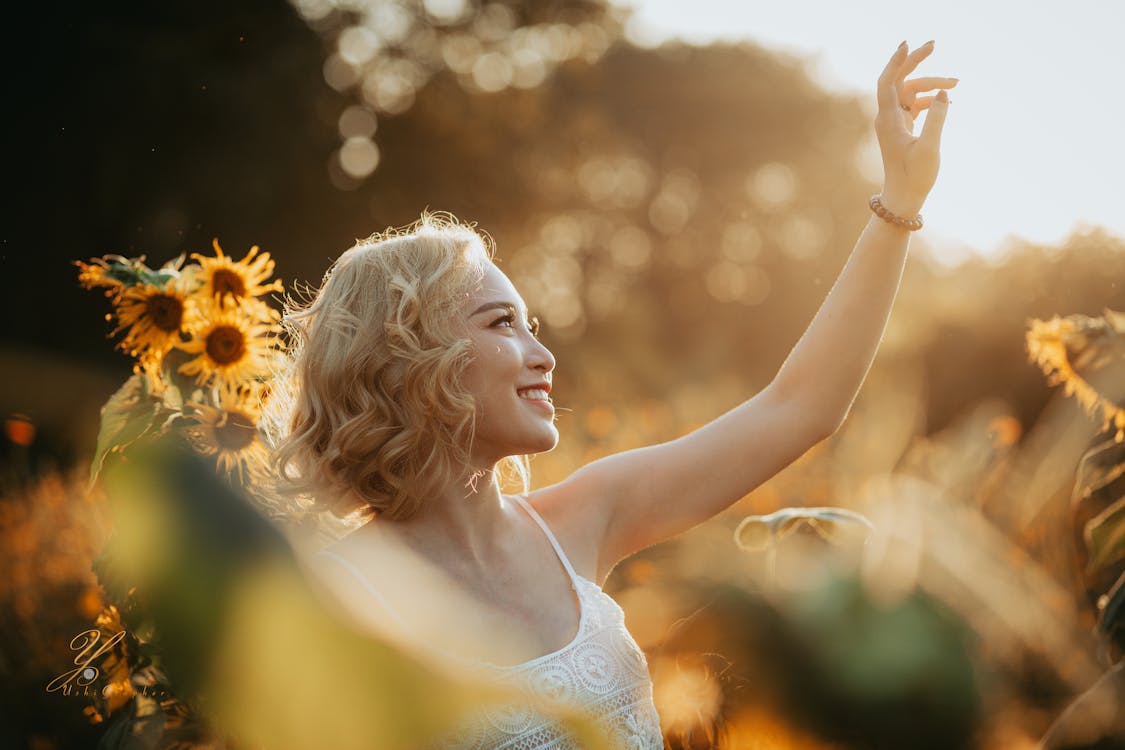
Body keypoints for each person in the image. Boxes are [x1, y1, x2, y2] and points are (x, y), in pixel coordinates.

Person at [269, 40, 955, 750]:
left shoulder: (583, 519)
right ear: (408, 357)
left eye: (533, 326)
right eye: (502, 323)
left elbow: (799, 407)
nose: (544, 357)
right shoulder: (334, 599)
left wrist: (899, 203)